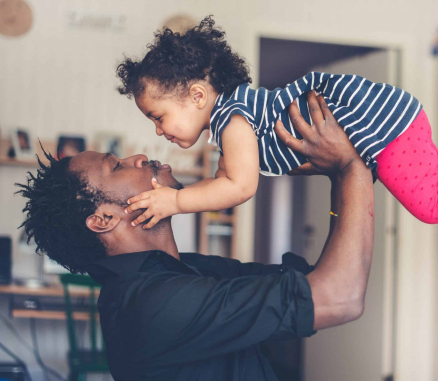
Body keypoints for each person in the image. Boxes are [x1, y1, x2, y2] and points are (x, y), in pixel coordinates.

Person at [16, 93, 375, 381]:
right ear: (105, 219)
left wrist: (339, 178)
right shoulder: (148, 305)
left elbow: (323, 281)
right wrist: (351, 167)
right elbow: (340, 297)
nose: (139, 157)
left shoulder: (186, 270)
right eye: (117, 166)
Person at [115, 16, 438, 229]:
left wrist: (175, 201)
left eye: (158, 116)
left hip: (376, 126)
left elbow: (238, 186)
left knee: (435, 206)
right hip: (390, 112)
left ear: (198, 94)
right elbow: (227, 176)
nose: (159, 130)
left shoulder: (234, 119)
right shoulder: (238, 112)